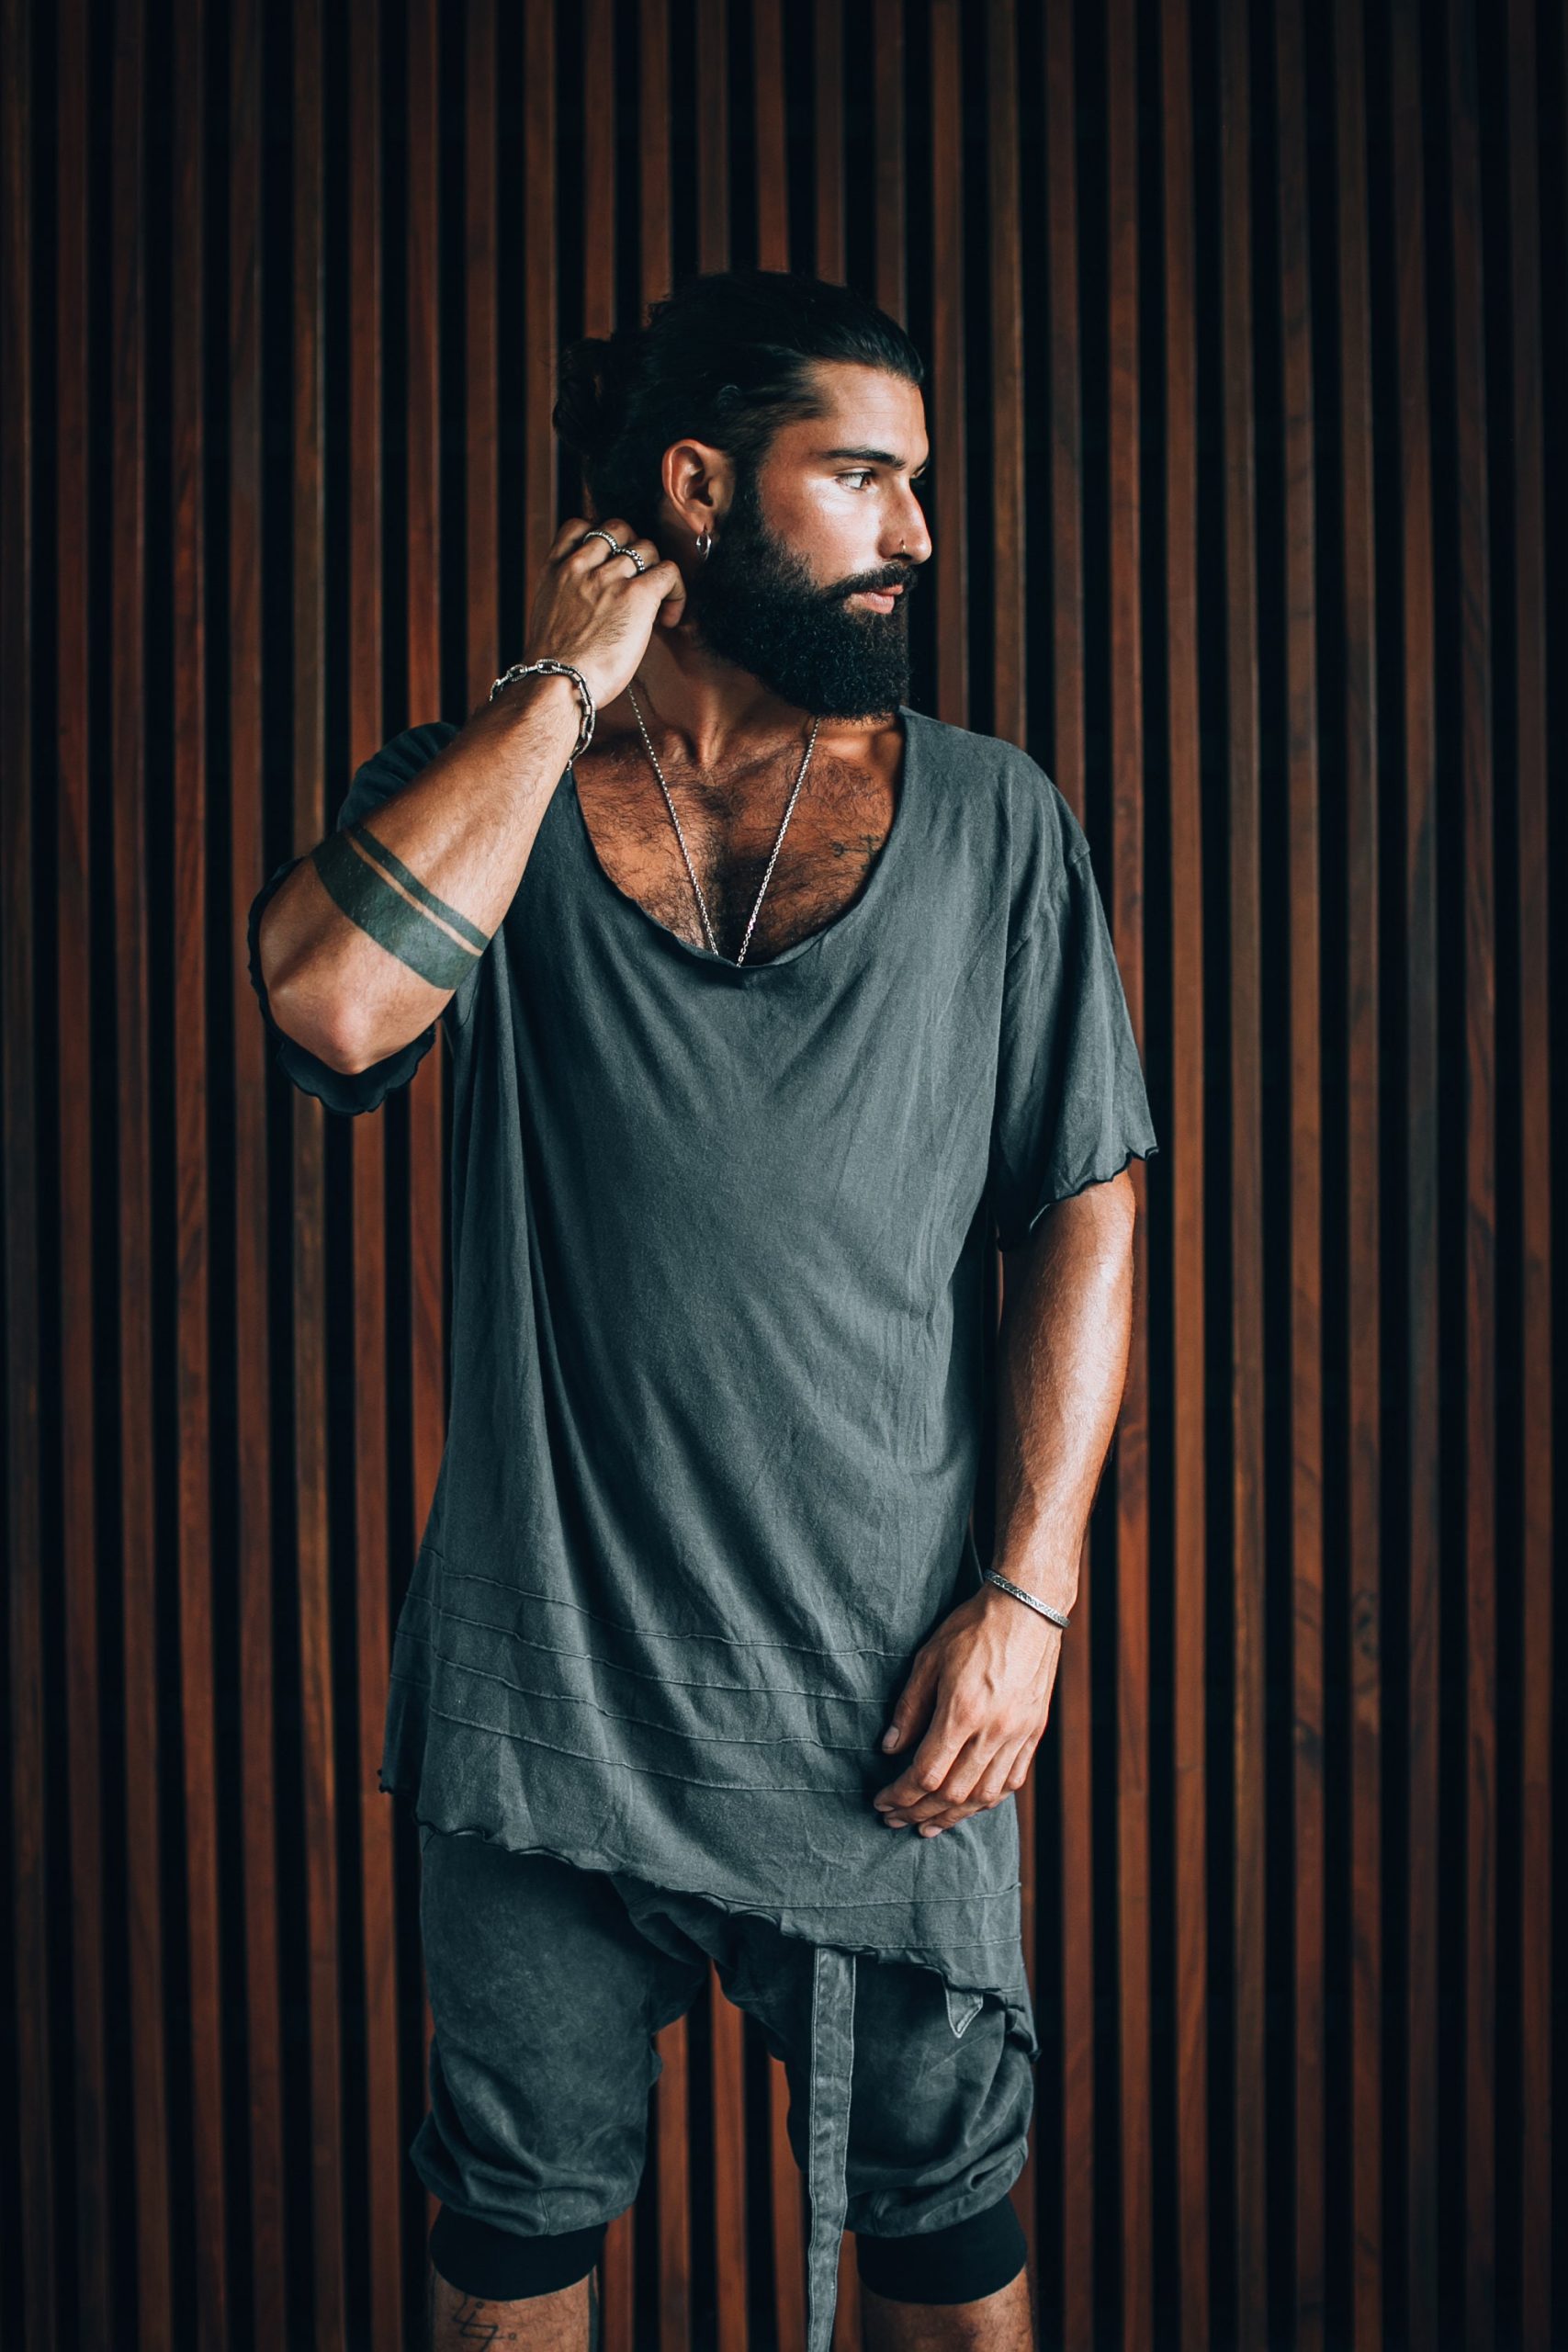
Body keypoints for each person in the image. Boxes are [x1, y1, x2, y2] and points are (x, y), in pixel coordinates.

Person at [247, 268, 1158, 2352]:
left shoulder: (996, 819)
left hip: (889, 1721)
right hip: (541, 1701)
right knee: (510, 2243)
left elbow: (1087, 1202)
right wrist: (555, 689)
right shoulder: (490, 786)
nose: (915, 533)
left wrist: (1025, 1604)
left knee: (949, 2240)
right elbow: (329, 1003)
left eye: (917, 482)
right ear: (697, 486)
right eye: (863, 477)